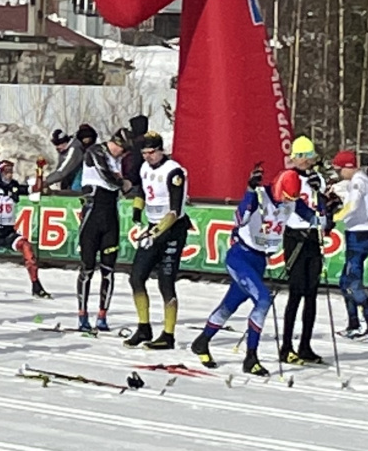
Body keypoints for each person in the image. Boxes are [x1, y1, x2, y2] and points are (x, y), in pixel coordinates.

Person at [188, 163, 280, 377]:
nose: (290, 201)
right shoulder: (260, 196)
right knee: (264, 299)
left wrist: (326, 208)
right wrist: (249, 191)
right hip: (240, 257)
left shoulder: (290, 202)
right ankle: (251, 357)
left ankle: (202, 341)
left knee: (230, 304)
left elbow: (316, 219)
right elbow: (239, 219)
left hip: (259, 260)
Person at [125, 132, 190, 350]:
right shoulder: (145, 168)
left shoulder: (173, 171)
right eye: (144, 153)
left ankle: (168, 335)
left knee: (166, 282)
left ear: (161, 150)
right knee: (136, 277)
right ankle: (144, 327)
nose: (148, 157)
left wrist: (156, 232)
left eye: (152, 152)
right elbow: (143, 191)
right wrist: (136, 212)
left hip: (172, 229)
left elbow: (174, 210)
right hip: (154, 226)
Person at [275, 136, 327, 367]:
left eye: (308, 156)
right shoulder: (289, 176)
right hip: (295, 236)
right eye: (300, 156)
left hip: (313, 239)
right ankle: (286, 346)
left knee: (312, 294)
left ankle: (305, 345)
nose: (304, 161)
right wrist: (311, 216)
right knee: (295, 292)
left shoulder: (318, 179)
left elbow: (323, 206)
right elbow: (290, 204)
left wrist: (325, 212)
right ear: (293, 158)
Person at [0, 156, 50, 298]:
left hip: (8, 232)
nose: (9, 174)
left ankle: (36, 285)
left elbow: (36, 189)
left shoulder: (14, 186)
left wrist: (39, 170)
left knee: (26, 247)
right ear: (0, 173)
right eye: (6, 171)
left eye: (10, 171)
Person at [73, 127, 127, 332]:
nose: (122, 155)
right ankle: (82, 314)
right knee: (87, 267)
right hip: (92, 213)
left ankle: (102, 315)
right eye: (122, 150)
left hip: (110, 215)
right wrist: (123, 183)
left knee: (108, 269)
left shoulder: (119, 159)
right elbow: (108, 177)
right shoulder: (96, 151)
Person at [331, 150, 368, 338]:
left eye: (339, 169)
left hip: (360, 233)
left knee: (352, 281)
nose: (338, 173)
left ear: (348, 167)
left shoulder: (358, 182)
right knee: (346, 281)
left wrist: (333, 218)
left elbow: (352, 207)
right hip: (365, 231)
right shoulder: (366, 180)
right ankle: (354, 323)